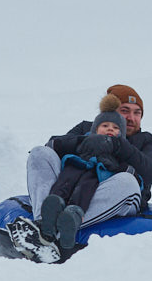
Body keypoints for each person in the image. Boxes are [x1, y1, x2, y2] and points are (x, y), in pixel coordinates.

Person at [14, 84, 152, 258]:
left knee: (128, 181)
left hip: (113, 198)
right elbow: (54, 145)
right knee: (40, 153)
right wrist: (84, 142)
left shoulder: (148, 141)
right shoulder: (86, 128)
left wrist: (117, 146)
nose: (131, 118)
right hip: (71, 190)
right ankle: (42, 223)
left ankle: (52, 235)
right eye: (125, 110)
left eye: (137, 113)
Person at [37, 95, 129, 250]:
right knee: (65, 180)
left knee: (85, 188)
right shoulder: (85, 139)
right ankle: (53, 205)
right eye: (105, 125)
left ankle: (72, 216)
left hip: (95, 173)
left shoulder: (117, 150)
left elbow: (123, 166)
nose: (110, 129)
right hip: (77, 164)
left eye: (115, 128)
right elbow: (62, 143)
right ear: (95, 129)